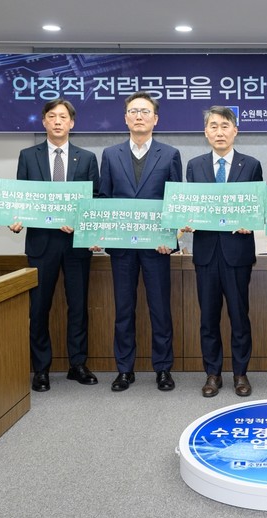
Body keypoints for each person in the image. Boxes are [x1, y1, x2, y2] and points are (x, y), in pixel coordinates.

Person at [9, 99, 100, 393]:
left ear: (72, 123)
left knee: (78, 306)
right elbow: (20, 196)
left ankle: (78, 364)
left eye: (63, 117)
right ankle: (41, 368)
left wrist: (81, 222)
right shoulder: (28, 155)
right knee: (39, 308)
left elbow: (95, 199)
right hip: (41, 243)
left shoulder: (87, 158)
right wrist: (16, 218)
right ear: (44, 122)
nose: (58, 121)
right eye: (52, 116)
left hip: (76, 243)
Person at [99, 91, 182, 392]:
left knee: (160, 310)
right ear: (125, 118)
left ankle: (163, 369)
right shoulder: (110, 154)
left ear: (155, 119)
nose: (139, 116)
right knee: (124, 310)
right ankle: (125, 370)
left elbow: (175, 201)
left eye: (145, 111)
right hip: (122, 248)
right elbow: (104, 198)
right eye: (133, 111)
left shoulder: (170, 154)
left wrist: (170, 238)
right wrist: (100, 234)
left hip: (156, 247)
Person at [185, 106, 263, 397]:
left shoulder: (251, 164)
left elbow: (257, 206)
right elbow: (189, 205)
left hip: (237, 252)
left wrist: (249, 221)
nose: (219, 132)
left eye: (225, 126)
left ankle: (240, 373)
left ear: (235, 131)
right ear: (206, 132)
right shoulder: (194, 165)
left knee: (239, 316)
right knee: (208, 317)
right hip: (206, 252)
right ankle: (212, 373)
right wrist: (186, 219)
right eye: (214, 126)